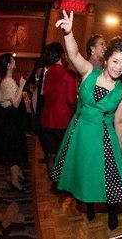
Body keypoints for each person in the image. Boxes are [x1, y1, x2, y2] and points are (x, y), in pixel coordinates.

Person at [52, 10, 122, 230]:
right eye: (115, 61)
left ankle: (113, 212)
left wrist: (120, 147)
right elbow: (74, 54)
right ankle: (88, 207)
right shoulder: (89, 72)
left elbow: (120, 122)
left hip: (104, 137)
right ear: (106, 60)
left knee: (109, 177)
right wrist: (68, 33)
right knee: (84, 172)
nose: (119, 67)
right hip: (79, 132)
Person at [40, 42, 77, 172]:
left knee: (51, 154)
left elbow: (44, 93)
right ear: (62, 55)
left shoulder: (48, 73)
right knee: (63, 154)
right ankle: (58, 180)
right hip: (62, 120)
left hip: (46, 118)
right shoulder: (68, 74)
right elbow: (71, 99)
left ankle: (51, 176)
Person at [0, 54, 28, 191]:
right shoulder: (8, 81)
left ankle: (18, 172)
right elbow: (15, 103)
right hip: (10, 121)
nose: (15, 62)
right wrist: (21, 86)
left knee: (16, 145)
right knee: (14, 148)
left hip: (10, 119)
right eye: (13, 60)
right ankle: (14, 180)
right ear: (8, 65)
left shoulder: (7, 80)